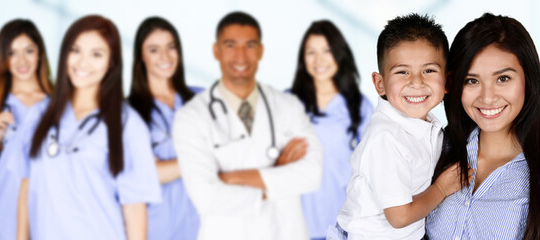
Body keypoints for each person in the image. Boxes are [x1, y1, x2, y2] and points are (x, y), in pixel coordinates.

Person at [425, 13, 540, 240]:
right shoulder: (436, 147)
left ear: (528, 79)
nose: (488, 97)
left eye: (502, 79)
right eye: (471, 80)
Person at [173, 11, 323, 239]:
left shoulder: (288, 105)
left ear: (261, 51)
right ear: (216, 51)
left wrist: (231, 178)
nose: (241, 56)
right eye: (230, 45)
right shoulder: (191, 116)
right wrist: (278, 175)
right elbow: (206, 196)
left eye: (250, 45)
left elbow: (312, 174)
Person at [17, 15, 161, 240]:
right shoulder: (39, 115)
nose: (83, 63)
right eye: (75, 51)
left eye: (96, 54)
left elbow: (134, 208)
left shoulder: (128, 126)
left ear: (111, 63)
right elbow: (27, 187)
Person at [334, 13, 469, 240]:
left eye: (428, 70)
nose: (416, 82)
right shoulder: (386, 138)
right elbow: (399, 217)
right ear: (380, 83)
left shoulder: (425, 126)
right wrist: (441, 189)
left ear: (447, 81)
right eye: (402, 72)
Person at [288, 20, 374, 240]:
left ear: (339, 54)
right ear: (303, 58)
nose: (319, 60)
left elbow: (371, 169)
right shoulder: (287, 103)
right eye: (311, 52)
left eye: (326, 51)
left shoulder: (358, 106)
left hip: (340, 227)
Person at [0, 19, 52, 240]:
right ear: (3, 60)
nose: (22, 60)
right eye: (12, 53)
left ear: (39, 54)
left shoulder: (58, 108)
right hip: (3, 219)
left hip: (46, 216)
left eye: (28, 50)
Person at [127, 16, 202, 240]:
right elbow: (144, 174)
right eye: (154, 50)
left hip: (203, 227)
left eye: (171, 47)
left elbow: (229, 154)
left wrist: (167, 168)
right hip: (157, 230)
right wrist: (202, 158)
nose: (165, 57)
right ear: (141, 55)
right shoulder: (128, 112)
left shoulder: (201, 99)